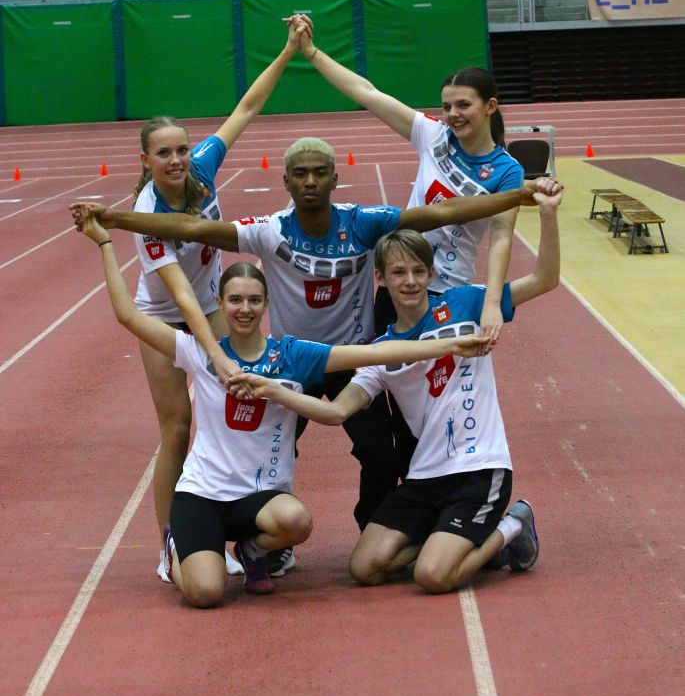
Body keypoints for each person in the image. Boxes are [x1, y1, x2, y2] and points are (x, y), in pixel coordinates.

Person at [71, 136, 560, 539]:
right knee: (261, 446)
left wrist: (519, 195)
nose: (310, 181)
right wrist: (116, 218)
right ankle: (263, 543)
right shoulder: (269, 231)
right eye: (300, 174)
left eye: (320, 173)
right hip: (293, 362)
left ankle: (375, 527)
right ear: (286, 182)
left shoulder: (362, 223)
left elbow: (441, 214)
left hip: (351, 357)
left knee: (382, 453)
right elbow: (189, 227)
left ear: (334, 179)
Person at [78, 209, 493, 607]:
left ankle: (252, 550)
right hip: (202, 494)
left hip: (257, 500)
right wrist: (105, 244)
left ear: (266, 303)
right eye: (235, 300)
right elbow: (128, 315)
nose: (244, 309)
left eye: (254, 300)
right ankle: (176, 550)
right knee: (205, 594)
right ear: (219, 304)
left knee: (297, 521)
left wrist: (448, 344)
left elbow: (373, 353)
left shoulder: (292, 356)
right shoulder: (199, 353)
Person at [228, 189, 563, 594]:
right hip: (425, 477)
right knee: (364, 567)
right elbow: (336, 413)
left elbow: (545, 279)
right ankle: (458, 540)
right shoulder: (381, 352)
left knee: (432, 576)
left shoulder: (467, 304)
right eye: (399, 273)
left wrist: (548, 215)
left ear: (430, 273)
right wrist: (272, 389)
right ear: (381, 278)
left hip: (478, 469)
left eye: (418, 271)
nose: (410, 281)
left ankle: (511, 526)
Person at [99, 21, 305, 583]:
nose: (176, 160)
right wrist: (214, 353)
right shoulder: (148, 216)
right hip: (167, 310)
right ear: (145, 160)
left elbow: (246, 108)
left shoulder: (203, 171)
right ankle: (170, 543)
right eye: (163, 153)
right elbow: (180, 295)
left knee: (253, 401)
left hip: (212, 300)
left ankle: (253, 524)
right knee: (178, 425)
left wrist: (287, 51)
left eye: (181, 149)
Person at [294, 15, 524, 341]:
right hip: (398, 282)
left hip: (447, 291)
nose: (453, 114)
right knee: (382, 368)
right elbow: (367, 93)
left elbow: (501, 238)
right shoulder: (434, 135)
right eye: (447, 106)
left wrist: (491, 303)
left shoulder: (508, 171)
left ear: (490, 106)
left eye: (463, 105)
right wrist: (311, 52)